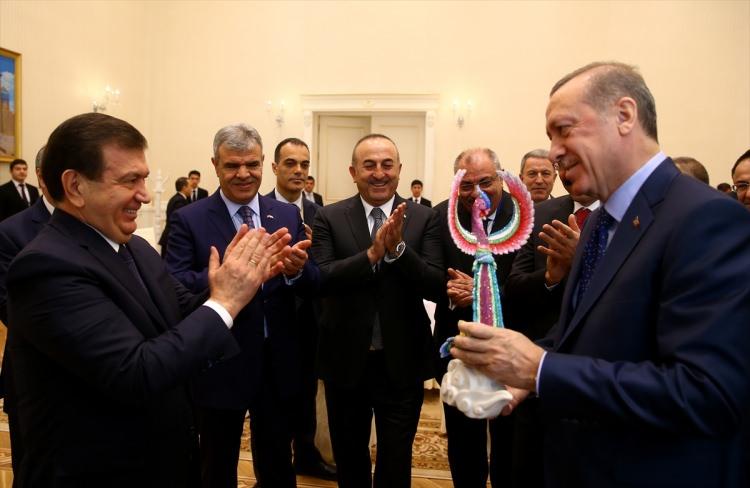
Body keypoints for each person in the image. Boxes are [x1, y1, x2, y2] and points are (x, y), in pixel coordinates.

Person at [450, 61, 750, 488]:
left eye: (564, 130)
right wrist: (516, 374)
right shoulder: (599, 223)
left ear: (624, 115)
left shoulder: (705, 218)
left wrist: (540, 369)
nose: (553, 151)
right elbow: (582, 333)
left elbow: (707, 392)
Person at [5, 112, 292, 486]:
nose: (144, 194)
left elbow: (183, 311)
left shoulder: (136, 248)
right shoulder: (46, 267)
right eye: (130, 180)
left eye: (143, 178)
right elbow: (135, 371)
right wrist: (225, 301)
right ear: (75, 186)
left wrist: (240, 281)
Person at [166, 124, 318, 488]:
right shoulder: (190, 218)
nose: (243, 174)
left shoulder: (285, 215)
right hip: (220, 360)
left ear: (264, 163)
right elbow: (173, 283)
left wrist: (297, 270)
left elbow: (313, 280)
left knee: (278, 464)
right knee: (217, 465)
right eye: (232, 165)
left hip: (276, 362)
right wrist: (226, 277)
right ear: (215, 165)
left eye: (252, 164)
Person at [311, 133, 444, 488]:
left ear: (399, 169)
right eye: (369, 165)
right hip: (345, 361)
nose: (379, 173)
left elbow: (434, 283)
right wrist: (371, 255)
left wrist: (398, 249)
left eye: (387, 165)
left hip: (402, 362)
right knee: (349, 458)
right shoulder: (329, 216)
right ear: (353, 172)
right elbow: (321, 278)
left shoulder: (424, 217)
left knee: (396, 461)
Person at [503, 173, 598, 488]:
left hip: (597, 376)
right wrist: (550, 278)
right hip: (538, 372)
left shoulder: (624, 216)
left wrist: (581, 260)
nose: (571, 171)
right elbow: (515, 286)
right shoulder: (541, 213)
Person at [432, 148, 518, 488]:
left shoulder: (525, 215)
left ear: (501, 179)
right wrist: (451, 289)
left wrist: (485, 290)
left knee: (510, 446)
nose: (476, 192)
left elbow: (530, 281)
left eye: (486, 182)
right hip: (459, 348)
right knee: (464, 446)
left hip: (512, 350)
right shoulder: (441, 216)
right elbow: (431, 272)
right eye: (466, 185)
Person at [266, 137, 336, 480]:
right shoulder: (258, 207)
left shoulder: (320, 213)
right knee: (272, 404)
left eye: (304, 164)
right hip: (272, 318)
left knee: (307, 393)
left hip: (310, 317)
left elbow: (327, 269)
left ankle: (307, 456)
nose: (298, 170)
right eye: (290, 163)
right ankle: (272, 472)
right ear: (275, 167)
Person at [0, 146, 54, 473]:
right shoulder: (12, 231)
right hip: (34, 376)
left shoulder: (103, 223)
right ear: (42, 177)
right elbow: (7, 303)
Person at [158, 176, 191, 257]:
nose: (191, 189)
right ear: (184, 187)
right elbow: (179, 222)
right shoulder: (179, 201)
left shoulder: (176, 198)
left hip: (170, 237)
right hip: (172, 238)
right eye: (190, 186)